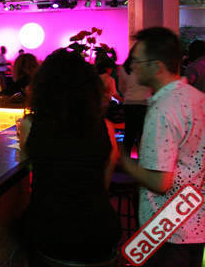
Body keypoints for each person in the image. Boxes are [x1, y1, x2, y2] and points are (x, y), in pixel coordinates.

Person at [18, 48, 121, 265]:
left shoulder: (30, 125)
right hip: (100, 231)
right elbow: (103, 184)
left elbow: (30, 168)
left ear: (43, 87)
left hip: (51, 231)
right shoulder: (106, 127)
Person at [120, 27, 205, 267]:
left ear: (157, 66)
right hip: (195, 222)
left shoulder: (163, 109)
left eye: (137, 61)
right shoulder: (196, 98)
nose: (132, 67)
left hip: (167, 229)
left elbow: (160, 182)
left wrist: (123, 161)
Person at [117, 45, 152, 155]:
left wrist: (128, 94)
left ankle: (126, 160)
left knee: (129, 134)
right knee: (143, 135)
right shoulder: (148, 68)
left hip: (129, 103)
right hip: (144, 103)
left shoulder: (124, 68)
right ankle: (143, 160)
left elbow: (121, 88)